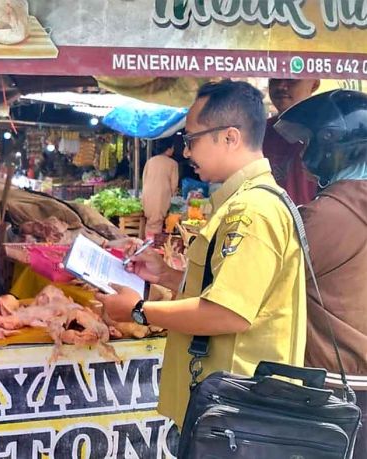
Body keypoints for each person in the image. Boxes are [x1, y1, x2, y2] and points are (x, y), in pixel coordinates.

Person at [97, 80, 307, 430]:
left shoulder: (253, 211)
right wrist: (165, 274)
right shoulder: (242, 203)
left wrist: (137, 310)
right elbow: (225, 287)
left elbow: (229, 312)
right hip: (227, 408)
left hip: (240, 415)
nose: (187, 152)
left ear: (229, 137)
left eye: (191, 139)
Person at [274, 89, 367, 459]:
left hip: (335, 389)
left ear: (334, 141)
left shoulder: (327, 216)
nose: (303, 151)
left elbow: (263, 284)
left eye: (309, 140)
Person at [263, 78, 320, 205]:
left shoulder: (328, 131)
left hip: (317, 220)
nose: (281, 86)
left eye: (292, 79)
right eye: (275, 78)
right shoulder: (260, 132)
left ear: (314, 84)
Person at [141, 136, 179, 237]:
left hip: (147, 194)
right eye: (173, 148)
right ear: (169, 148)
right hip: (161, 196)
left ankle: (147, 244)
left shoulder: (150, 161)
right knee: (157, 223)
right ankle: (152, 247)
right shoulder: (173, 163)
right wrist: (172, 195)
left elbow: (144, 178)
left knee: (150, 222)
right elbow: (174, 185)